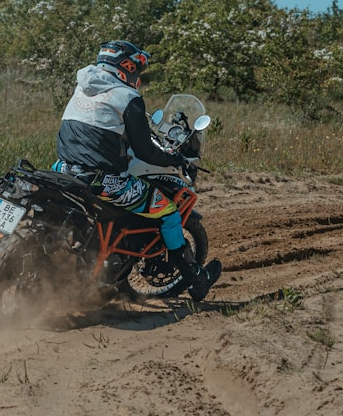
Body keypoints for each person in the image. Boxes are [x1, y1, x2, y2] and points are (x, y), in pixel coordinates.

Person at [53, 40, 221, 301]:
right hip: (103, 182)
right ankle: (196, 280)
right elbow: (144, 151)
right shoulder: (127, 97)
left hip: (63, 169)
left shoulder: (83, 86)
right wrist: (172, 159)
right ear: (127, 66)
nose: (138, 75)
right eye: (137, 68)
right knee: (167, 212)